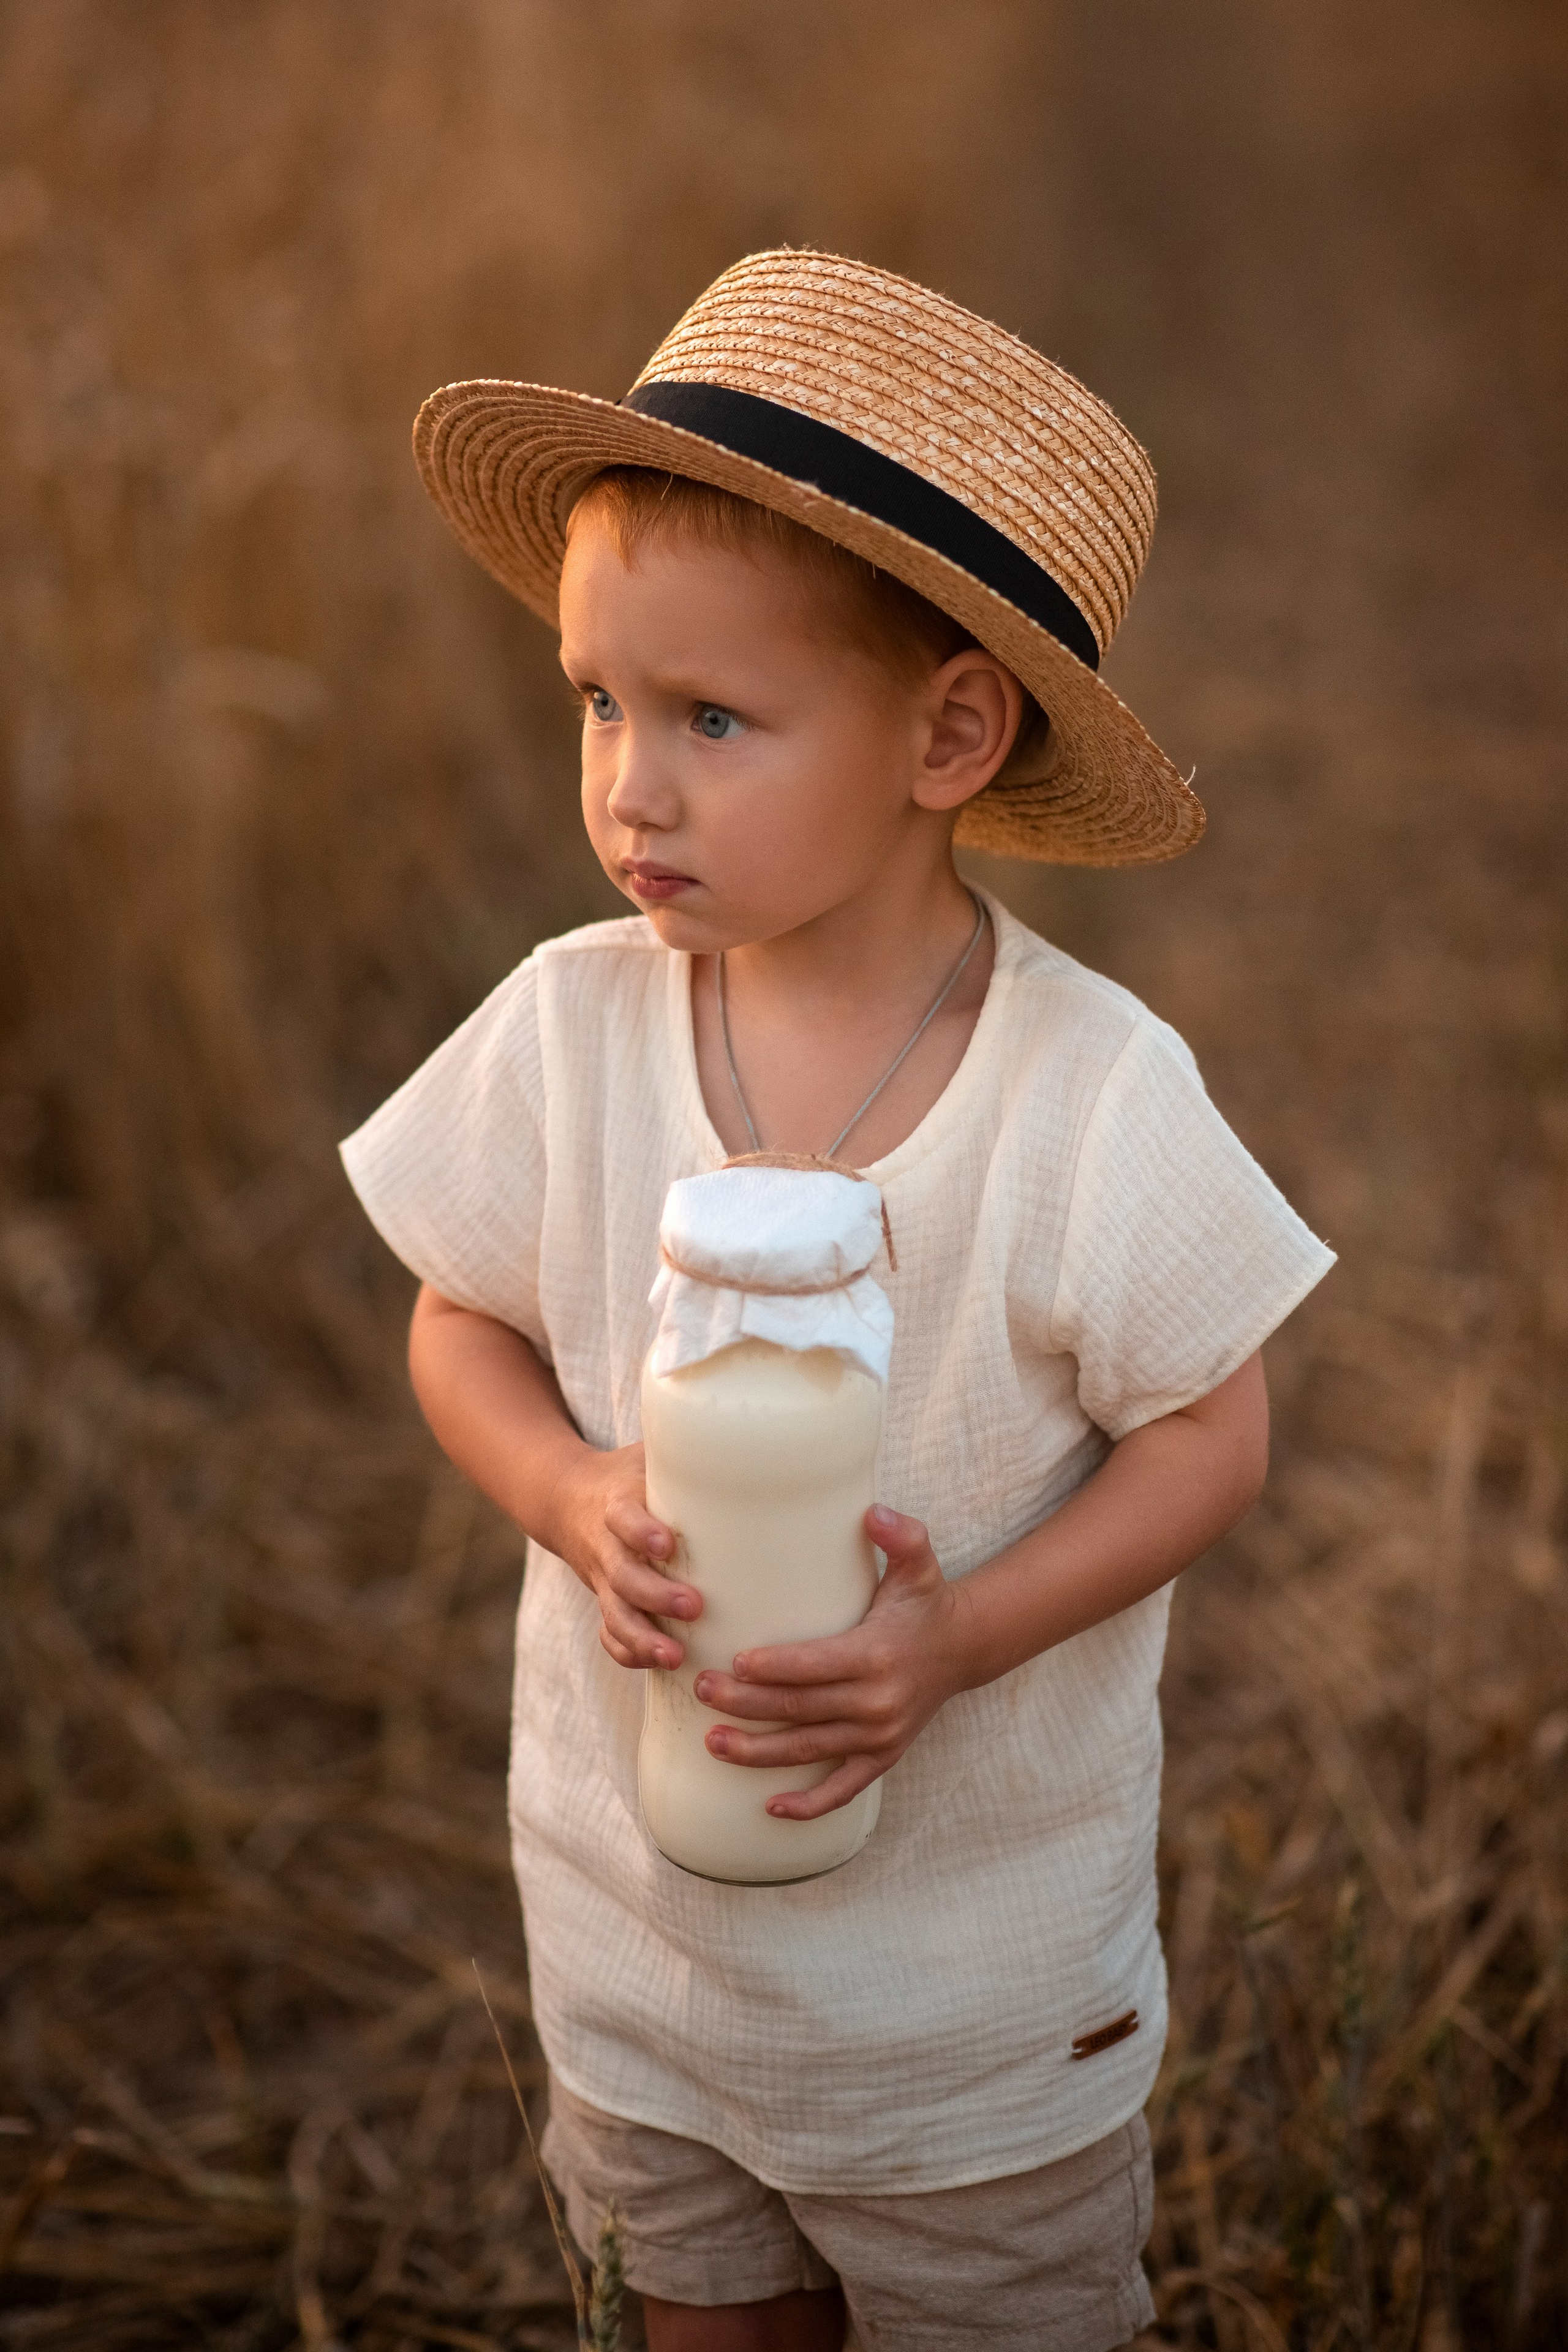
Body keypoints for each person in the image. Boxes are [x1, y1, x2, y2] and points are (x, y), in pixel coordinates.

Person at [341, 251, 1334, 2351]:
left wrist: (957, 1635)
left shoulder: (1082, 1092)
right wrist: (570, 1489)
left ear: (949, 731)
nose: (632, 783)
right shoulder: (571, 1030)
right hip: (640, 1944)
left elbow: (1210, 1434)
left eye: (713, 717)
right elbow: (460, 1319)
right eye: (598, 701)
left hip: (972, 1997)